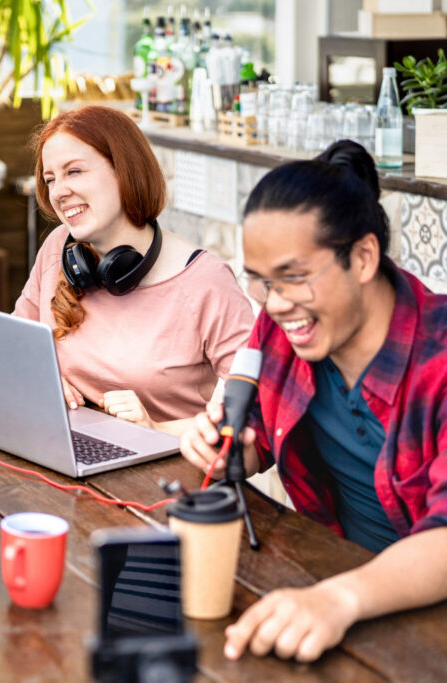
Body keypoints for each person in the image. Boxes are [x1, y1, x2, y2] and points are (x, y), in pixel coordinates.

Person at [180, 140, 447, 663]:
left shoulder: (438, 359)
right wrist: (231, 445)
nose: (275, 305)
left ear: (364, 257)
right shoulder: (284, 324)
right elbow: (254, 427)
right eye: (260, 282)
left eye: (294, 278)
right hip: (336, 586)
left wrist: (339, 598)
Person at [14, 105, 254, 435]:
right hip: (60, 450)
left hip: (162, 475)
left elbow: (257, 415)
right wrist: (42, 373)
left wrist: (155, 427)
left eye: (75, 172)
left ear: (124, 170)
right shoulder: (58, 247)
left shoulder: (206, 281)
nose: (58, 192)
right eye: (50, 179)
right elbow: (15, 345)